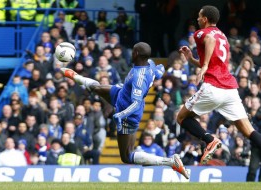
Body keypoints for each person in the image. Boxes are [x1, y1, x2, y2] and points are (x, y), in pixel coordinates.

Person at [60, 42, 189, 179]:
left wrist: (120, 115)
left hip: (129, 113)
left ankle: (170, 162)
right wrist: (160, 70)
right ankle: (73, 75)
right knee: (97, 88)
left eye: (133, 51)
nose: (130, 53)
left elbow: (136, 103)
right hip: (121, 94)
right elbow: (158, 70)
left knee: (126, 156)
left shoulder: (139, 78)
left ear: (137, 54)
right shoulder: (149, 63)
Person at [177, 5, 261, 185]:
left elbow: (209, 40)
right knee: (249, 131)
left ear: (205, 18)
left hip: (213, 87)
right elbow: (215, 60)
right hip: (230, 89)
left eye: (199, 16)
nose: (197, 19)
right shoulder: (223, 36)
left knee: (181, 117)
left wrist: (204, 66)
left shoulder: (202, 33)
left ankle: (209, 140)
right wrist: (191, 59)